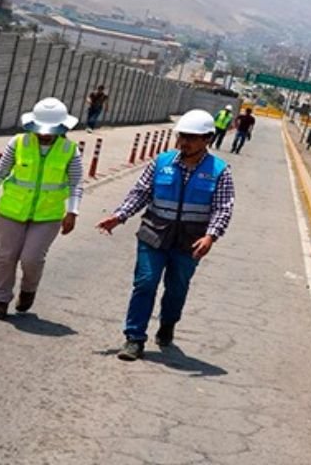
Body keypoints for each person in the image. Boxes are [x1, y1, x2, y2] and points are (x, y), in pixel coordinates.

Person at [95, 109, 235, 361]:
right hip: (154, 234)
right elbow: (141, 193)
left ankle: (168, 323)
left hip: (189, 242)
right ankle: (134, 338)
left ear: (207, 140)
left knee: (176, 288)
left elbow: (223, 207)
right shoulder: (162, 162)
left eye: (192, 138)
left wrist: (210, 236)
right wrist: (119, 216)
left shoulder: (220, 171)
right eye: (183, 136)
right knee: (145, 283)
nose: (185, 142)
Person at [0, 98, 83, 319]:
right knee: (6, 256)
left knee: (31, 258)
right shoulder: (19, 142)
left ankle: (28, 290)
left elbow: (75, 184)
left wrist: (72, 212)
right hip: (12, 211)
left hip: (48, 215)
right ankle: (0, 301)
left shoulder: (69, 150)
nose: (45, 134)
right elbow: (1, 170)